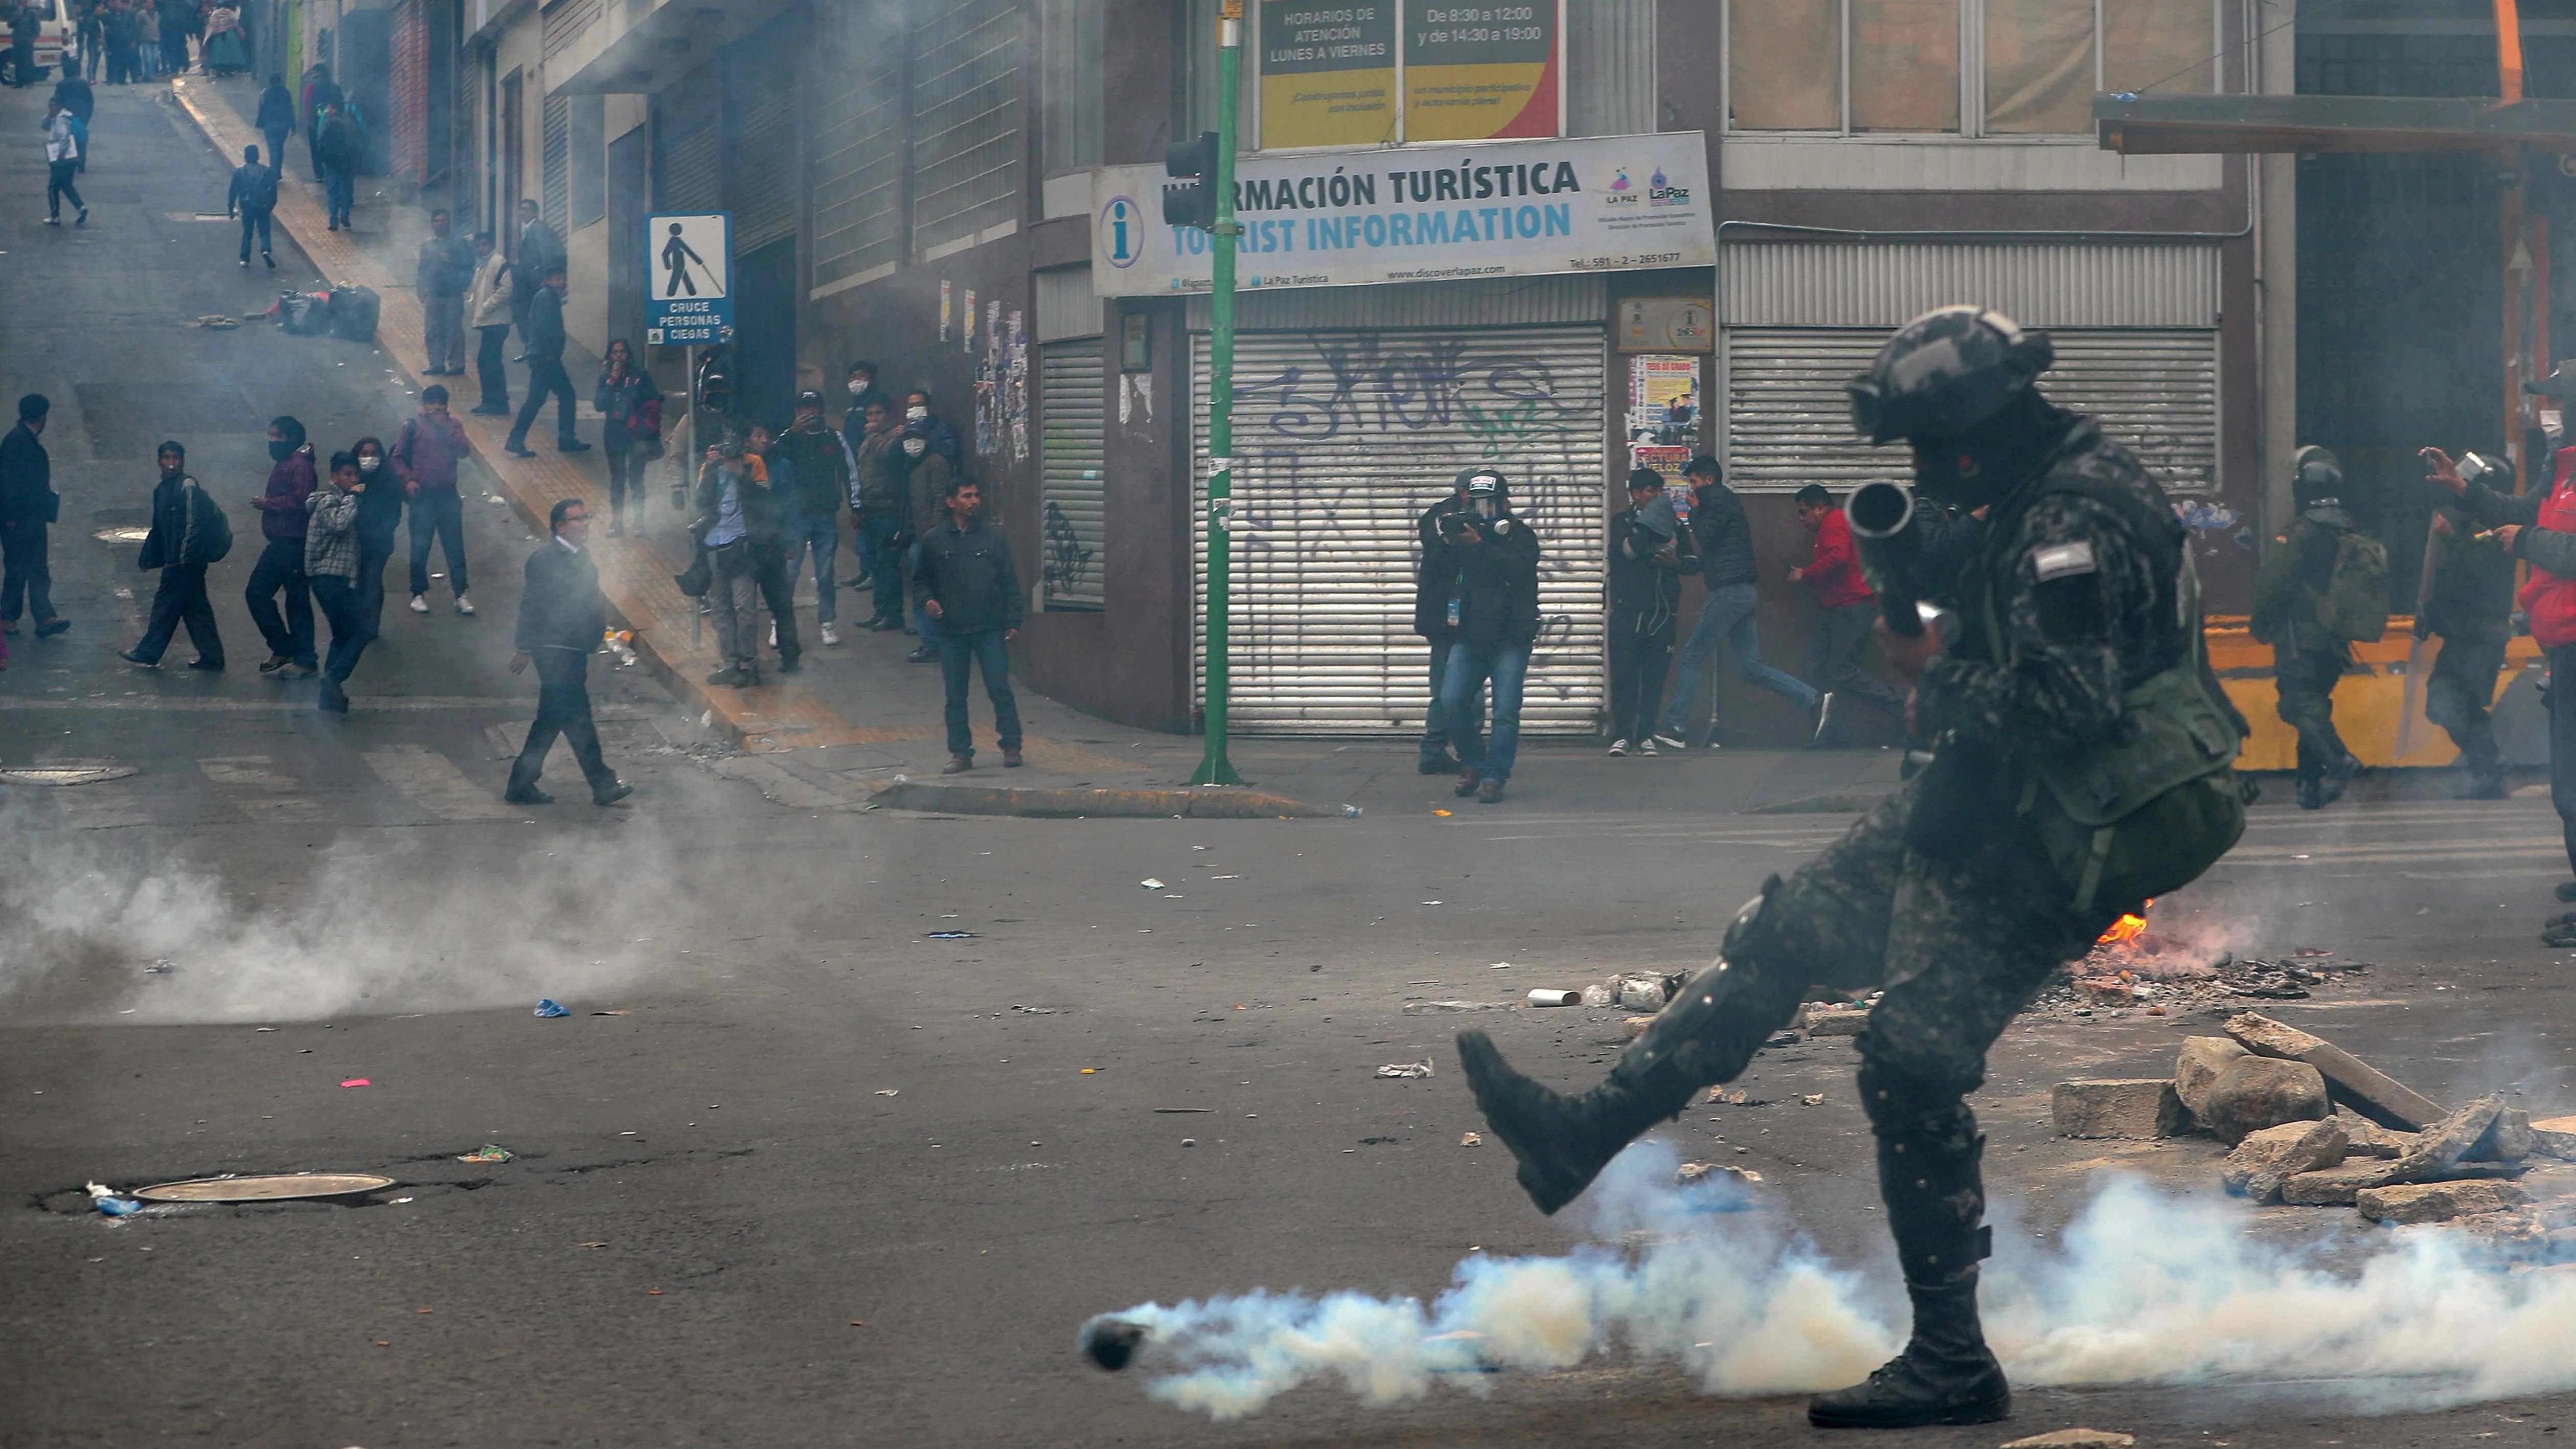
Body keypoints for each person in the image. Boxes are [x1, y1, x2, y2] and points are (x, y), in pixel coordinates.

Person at [1458, 306, 2247, 1431]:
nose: (1924, 468)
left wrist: (1933, 672)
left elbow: (2071, 704)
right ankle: (1581, 1130)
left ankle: (1949, 1359)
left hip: (2071, 828)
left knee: (1909, 1060)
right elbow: (1999, 598)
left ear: (1977, 425)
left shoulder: (2074, 516)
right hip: (1980, 802)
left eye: (1932, 445)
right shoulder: (2032, 491)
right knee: (1781, 934)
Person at [2426, 443, 2576, 940]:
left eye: (2558, 398)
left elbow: (2547, 538)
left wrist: (2527, 539)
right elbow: (2522, 511)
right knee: (2567, 789)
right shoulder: (2561, 470)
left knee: (2574, 789)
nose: (2549, 410)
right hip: (2562, 645)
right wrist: (2465, 491)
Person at [2252, 447, 2384, 809]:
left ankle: (2339, 759)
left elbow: (2273, 583)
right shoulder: (2352, 528)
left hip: (2300, 635)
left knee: (2296, 704)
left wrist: (2259, 624)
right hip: (2336, 639)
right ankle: (2309, 787)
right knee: (2314, 706)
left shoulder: (2301, 532)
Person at [1656, 456, 1818, 749]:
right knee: (1752, 668)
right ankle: (1813, 700)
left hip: (1730, 594)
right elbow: (1710, 556)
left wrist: (1693, 513)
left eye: (1693, 482)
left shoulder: (1716, 499)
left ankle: (1676, 727)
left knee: (1692, 656)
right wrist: (1678, 563)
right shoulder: (1720, 503)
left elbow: (1706, 536)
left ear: (1708, 480)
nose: (1690, 489)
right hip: (1740, 593)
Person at [506, 499, 632, 807]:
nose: (585, 523)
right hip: (554, 650)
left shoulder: (582, 556)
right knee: (578, 717)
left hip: (574, 648)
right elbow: (531, 604)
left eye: (586, 517)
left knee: (551, 718)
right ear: (560, 526)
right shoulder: (545, 560)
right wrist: (523, 647)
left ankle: (521, 783)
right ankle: (602, 782)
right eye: (577, 520)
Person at [1437, 469, 1540, 804]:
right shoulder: (1467, 536)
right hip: (1470, 635)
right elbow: (1438, 573)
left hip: (1510, 637)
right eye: (1479, 505)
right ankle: (1473, 763)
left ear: (1505, 503)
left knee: (1505, 711)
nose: (1485, 513)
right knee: (1451, 700)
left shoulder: (1520, 536)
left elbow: (1516, 570)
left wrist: (1479, 544)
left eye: (1491, 505)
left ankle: (1495, 775)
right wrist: (1450, 541)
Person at [914, 476, 1023, 772]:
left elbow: (1010, 581)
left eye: (976, 496)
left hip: (989, 627)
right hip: (952, 631)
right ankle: (961, 753)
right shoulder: (934, 540)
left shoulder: (993, 538)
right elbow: (921, 580)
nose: (974, 501)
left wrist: (1013, 620)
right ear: (951, 502)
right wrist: (928, 602)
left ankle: (1012, 746)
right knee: (955, 695)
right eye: (966, 496)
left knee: (1000, 687)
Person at [2418, 478, 2517, 800]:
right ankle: (2488, 769)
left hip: (2481, 635)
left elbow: (2477, 571)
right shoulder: (2473, 525)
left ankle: (2489, 764)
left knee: (2453, 702)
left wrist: (2452, 537)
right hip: (2465, 633)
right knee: (2456, 704)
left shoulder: (2495, 528)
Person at [1794, 482, 1905, 746]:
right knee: (1821, 668)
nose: (1801, 519)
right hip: (1839, 608)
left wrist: (1805, 574)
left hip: (1851, 607)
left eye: (1804, 512)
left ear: (1820, 508)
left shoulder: (1834, 522)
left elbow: (1839, 557)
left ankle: (1901, 708)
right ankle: (1829, 731)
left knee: (1841, 670)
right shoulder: (1832, 524)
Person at [1606, 467, 1694, 755]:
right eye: (1649, 491)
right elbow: (1629, 552)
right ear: (1634, 494)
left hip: (1662, 612)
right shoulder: (1623, 522)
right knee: (1625, 677)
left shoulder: (1676, 526)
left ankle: (1646, 735)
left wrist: (1675, 563)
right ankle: (1622, 735)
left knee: (1654, 678)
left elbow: (1693, 562)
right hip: (1627, 612)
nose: (1656, 496)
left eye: (1659, 491)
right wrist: (1649, 525)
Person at [120, 441, 227, 670]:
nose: (171, 464)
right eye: (167, 458)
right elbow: (159, 528)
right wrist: (149, 556)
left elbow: (193, 524)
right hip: (180, 559)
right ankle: (213, 656)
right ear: (159, 462)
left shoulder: (187, 486)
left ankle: (149, 652)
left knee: (166, 605)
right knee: (195, 608)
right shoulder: (162, 489)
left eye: (175, 458)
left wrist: (183, 558)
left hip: (185, 561)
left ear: (182, 461)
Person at [1412, 468, 1486, 774]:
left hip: (1466, 614)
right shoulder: (1440, 518)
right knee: (1455, 686)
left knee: (1457, 686)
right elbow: (1435, 544)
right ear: (1465, 493)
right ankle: (1454, 750)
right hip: (1445, 617)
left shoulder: (1482, 518)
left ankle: (1441, 749)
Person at [690, 433, 776, 686]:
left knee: (745, 608)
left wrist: (741, 474)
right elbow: (701, 501)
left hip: (743, 546)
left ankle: (749, 663)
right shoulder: (711, 467)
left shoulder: (754, 464)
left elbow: (765, 500)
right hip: (715, 544)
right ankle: (730, 663)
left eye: (733, 456)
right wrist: (712, 469)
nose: (728, 460)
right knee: (720, 609)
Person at [772, 391, 852, 646]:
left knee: (826, 573)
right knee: (789, 573)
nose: (810, 413)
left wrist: (856, 505)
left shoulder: (833, 438)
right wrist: (791, 433)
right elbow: (770, 458)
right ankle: (779, 622)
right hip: (795, 516)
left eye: (814, 408)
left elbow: (849, 471)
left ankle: (827, 623)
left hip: (826, 515)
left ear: (822, 410)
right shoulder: (790, 439)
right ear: (797, 412)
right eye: (804, 409)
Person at [243, 415, 315, 676]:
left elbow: (300, 502)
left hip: (292, 542)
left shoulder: (300, 466)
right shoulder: (287, 463)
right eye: (271, 436)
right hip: (281, 541)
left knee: (294, 601)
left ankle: (304, 659)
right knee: (261, 594)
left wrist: (268, 504)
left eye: (278, 437)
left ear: (292, 438)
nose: (272, 441)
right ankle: (285, 648)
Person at [393, 386, 472, 617]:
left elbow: (463, 452)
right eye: (432, 403)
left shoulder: (454, 426)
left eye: (441, 404)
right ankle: (418, 594)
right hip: (423, 495)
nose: (437, 408)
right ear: (424, 405)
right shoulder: (412, 426)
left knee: (455, 546)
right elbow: (397, 458)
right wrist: (408, 481)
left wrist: (446, 429)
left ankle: (461, 594)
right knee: (421, 545)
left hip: (448, 495)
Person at [304, 450, 365, 712]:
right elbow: (339, 524)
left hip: (338, 578)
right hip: (329, 578)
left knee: (341, 635)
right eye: (347, 475)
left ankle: (329, 696)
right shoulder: (328, 502)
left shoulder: (343, 499)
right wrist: (353, 497)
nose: (353, 479)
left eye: (355, 474)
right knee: (361, 630)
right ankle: (334, 677)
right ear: (334, 477)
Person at [0, 394, 65, 638]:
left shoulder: (19, 439)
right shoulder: (20, 442)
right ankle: (36, 617)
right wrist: (11, 515)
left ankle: (21, 617)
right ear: (41, 416)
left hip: (28, 516)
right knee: (27, 567)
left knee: (28, 567)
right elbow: (8, 483)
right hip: (22, 518)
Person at [506, 263, 586, 458]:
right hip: (545, 358)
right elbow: (544, 328)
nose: (562, 283)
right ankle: (520, 440)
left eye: (562, 279)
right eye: (558, 279)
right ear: (548, 280)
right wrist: (550, 353)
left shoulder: (548, 297)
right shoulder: (546, 297)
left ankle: (562, 438)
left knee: (550, 398)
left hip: (544, 356)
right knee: (551, 398)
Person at [742, 421, 802, 672]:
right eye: (758, 435)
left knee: (782, 604)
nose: (765, 440)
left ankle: (790, 655)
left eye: (768, 435)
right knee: (743, 607)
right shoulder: (740, 465)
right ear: (748, 441)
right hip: (744, 546)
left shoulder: (782, 466)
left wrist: (790, 540)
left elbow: (790, 505)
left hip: (772, 544)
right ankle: (745, 660)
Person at [899, 404, 956, 663]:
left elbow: (940, 499)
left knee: (929, 589)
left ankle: (934, 641)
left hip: (931, 538)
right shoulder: (911, 465)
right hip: (917, 535)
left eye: (918, 439)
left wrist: (933, 533)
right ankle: (930, 640)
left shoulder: (936, 463)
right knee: (922, 589)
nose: (912, 444)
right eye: (908, 439)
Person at [851, 397, 908, 630]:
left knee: (887, 565)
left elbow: (887, 455)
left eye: (878, 413)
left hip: (888, 509)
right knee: (876, 565)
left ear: (889, 414)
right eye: (870, 415)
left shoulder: (893, 437)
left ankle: (893, 615)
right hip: (870, 509)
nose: (874, 419)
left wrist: (875, 434)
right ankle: (880, 611)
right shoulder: (869, 439)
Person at [594, 339, 660, 535]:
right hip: (614, 434)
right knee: (617, 479)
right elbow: (599, 405)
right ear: (610, 356)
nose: (619, 356)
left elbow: (654, 401)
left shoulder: (640, 376)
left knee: (636, 478)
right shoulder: (605, 378)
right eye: (615, 353)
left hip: (637, 434)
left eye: (623, 352)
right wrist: (611, 384)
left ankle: (639, 522)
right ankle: (617, 522)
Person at [347, 436, 401, 658]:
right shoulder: (353, 478)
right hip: (355, 541)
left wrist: (381, 530)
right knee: (358, 581)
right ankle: (358, 621)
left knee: (372, 580)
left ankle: (370, 626)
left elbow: (394, 513)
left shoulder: (389, 480)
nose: (369, 458)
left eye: (373, 454)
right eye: (364, 454)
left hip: (379, 541)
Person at [416, 208, 473, 376]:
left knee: (454, 330)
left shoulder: (458, 242)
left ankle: (457, 364)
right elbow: (422, 269)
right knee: (433, 330)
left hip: (453, 293)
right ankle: (436, 364)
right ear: (432, 224)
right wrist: (421, 289)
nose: (440, 224)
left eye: (444, 220)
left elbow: (469, 263)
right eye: (437, 221)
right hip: (434, 292)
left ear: (449, 222)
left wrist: (453, 260)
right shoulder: (427, 245)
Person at [463, 232, 513, 416]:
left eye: (484, 245)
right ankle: (493, 401)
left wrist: (486, 307)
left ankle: (496, 402)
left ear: (491, 245)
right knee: (488, 362)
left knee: (489, 363)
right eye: (478, 245)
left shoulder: (498, 262)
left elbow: (506, 289)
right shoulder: (482, 266)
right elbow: (477, 290)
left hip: (497, 321)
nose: (481, 248)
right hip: (489, 321)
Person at [511, 198, 561, 350]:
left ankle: (534, 348)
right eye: (521, 209)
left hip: (534, 282)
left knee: (529, 315)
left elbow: (546, 253)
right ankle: (530, 349)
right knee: (524, 314)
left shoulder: (538, 228)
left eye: (525, 209)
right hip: (529, 280)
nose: (522, 212)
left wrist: (545, 278)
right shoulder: (529, 230)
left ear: (535, 212)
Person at [224, 141, 275, 268]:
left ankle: (245, 258)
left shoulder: (240, 172)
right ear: (258, 156)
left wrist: (231, 208)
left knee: (248, 232)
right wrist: (270, 205)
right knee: (264, 231)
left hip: (247, 205)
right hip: (263, 205)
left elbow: (233, 191)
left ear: (245, 156)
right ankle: (266, 250)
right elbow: (273, 190)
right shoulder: (266, 171)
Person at [314, 98, 359, 231]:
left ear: (334, 109)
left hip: (331, 161)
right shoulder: (350, 124)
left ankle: (333, 220)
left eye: (329, 108)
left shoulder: (328, 123)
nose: (327, 110)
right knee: (345, 188)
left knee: (333, 190)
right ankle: (345, 215)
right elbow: (356, 143)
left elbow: (320, 139)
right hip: (347, 161)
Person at [42, 96, 84, 227]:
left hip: (62, 159)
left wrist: (61, 153)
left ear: (60, 106)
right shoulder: (62, 117)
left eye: (53, 106)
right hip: (71, 158)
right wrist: (49, 116)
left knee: (53, 187)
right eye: (49, 106)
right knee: (66, 185)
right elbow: (44, 126)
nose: (51, 108)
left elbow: (64, 137)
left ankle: (55, 217)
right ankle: (81, 208)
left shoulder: (60, 120)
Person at [253, 71, 293, 175]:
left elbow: (261, 108)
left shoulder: (265, 93)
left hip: (269, 125)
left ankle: (274, 172)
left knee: (273, 149)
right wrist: (293, 126)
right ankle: (277, 171)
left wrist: (260, 123)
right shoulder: (286, 92)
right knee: (279, 147)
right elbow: (290, 109)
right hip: (283, 125)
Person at [51, 70, 90, 172]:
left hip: (66, 114)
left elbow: (57, 100)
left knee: (65, 137)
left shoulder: (61, 84)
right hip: (81, 115)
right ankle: (81, 162)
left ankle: (67, 161)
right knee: (81, 140)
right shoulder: (84, 84)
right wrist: (87, 116)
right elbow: (90, 101)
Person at [199, 2, 243, 74]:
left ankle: (220, 70)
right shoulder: (231, 14)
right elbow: (236, 25)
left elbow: (212, 25)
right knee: (231, 54)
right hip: (230, 36)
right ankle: (229, 70)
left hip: (219, 37)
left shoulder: (215, 14)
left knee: (218, 55)